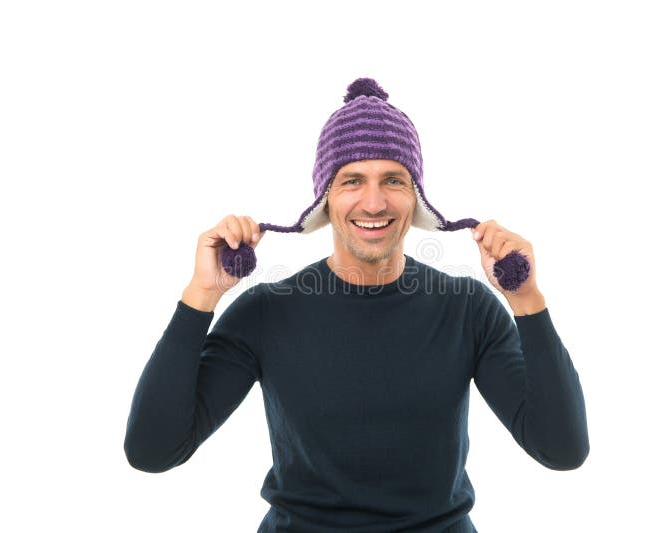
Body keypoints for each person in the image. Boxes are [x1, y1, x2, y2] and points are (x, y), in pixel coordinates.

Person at [124, 78, 589, 532]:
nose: (373, 202)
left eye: (393, 179)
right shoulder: (265, 311)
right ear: (325, 198)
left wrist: (526, 300)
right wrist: (200, 296)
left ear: (415, 197)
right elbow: (152, 451)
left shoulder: (469, 309)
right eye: (352, 181)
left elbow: (562, 450)